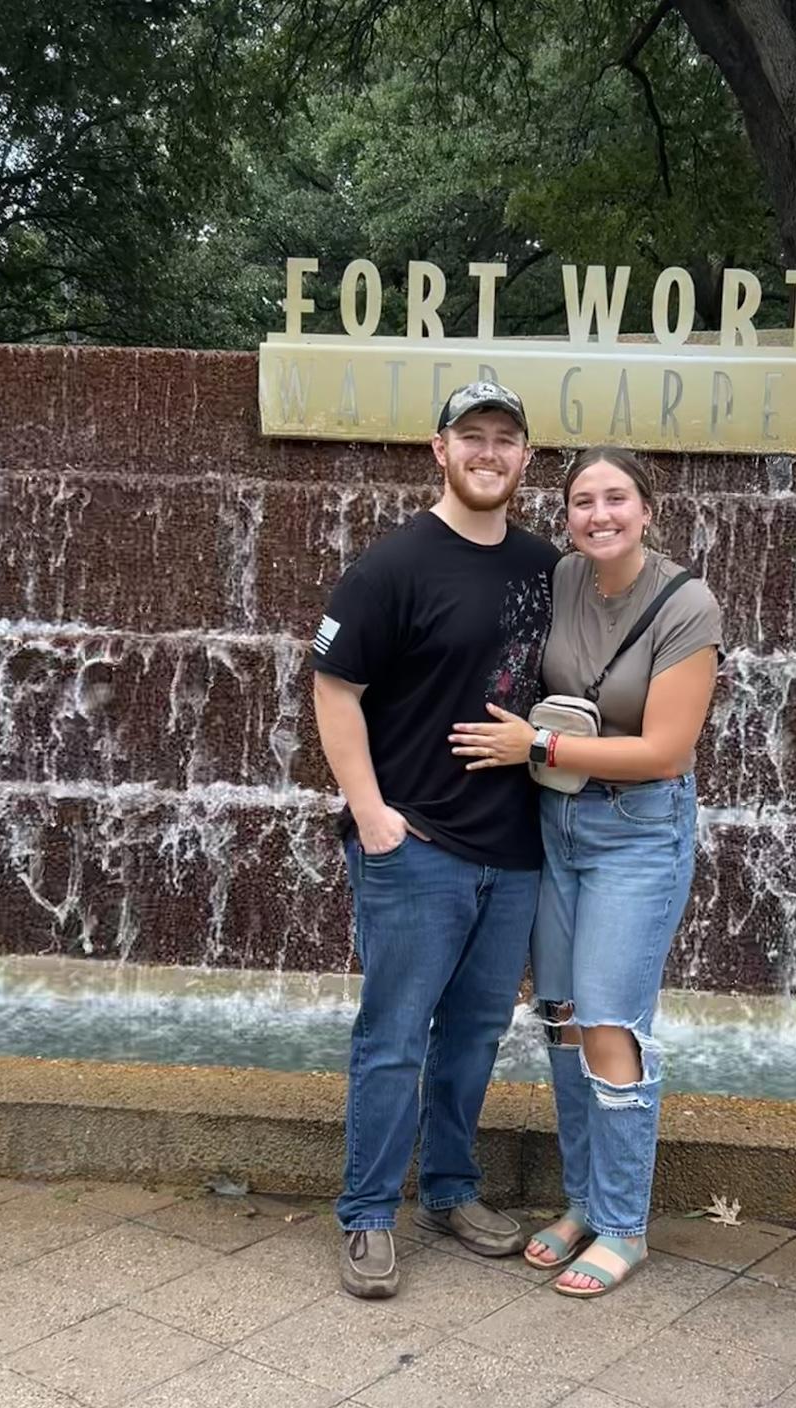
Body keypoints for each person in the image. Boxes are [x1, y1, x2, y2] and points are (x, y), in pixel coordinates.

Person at [448, 445, 721, 1298]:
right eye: (581, 502)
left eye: (616, 499)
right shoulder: (562, 578)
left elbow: (667, 749)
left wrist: (537, 745)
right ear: (565, 515)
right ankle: (585, 1203)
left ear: (647, 509)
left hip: (638, 833)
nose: (598, 515)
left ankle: (627, 1224)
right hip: (554, 823)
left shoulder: (686, 603)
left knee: (609, 1021)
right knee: (562, 1020)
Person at [310, 380, 558, 1299]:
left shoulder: (546, 565)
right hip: (415, 846)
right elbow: (334, 691)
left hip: (516, 850)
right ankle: (368, 1215)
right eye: (473, 437)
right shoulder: (391, 566)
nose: (489, 453)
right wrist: (372, 817)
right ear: (439, 450)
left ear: (525, 459)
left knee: (476, 1036)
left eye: (506, 440)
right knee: (395, 1037)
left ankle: (450, 1192)